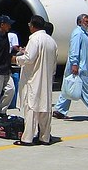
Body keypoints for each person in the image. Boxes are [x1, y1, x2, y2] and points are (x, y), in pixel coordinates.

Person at [14, 15, 59, 145]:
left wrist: (16, 59)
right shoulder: (51, 41)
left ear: (33, 26)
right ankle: (44, 137)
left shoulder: (35, 39)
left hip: (33, 79)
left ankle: (27, 138)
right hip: (46, 79)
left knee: (31, 108)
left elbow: (29, 58)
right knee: (44, 108)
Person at [53, 14, 88, 121]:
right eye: (86, 21)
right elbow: (74, 49)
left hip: (83, 67)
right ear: (79, 22)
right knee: (85, 89)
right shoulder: (77, 34)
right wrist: (74, 64)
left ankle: (60, 110)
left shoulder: (84, 34)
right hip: (79, 68)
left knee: (70, 87)